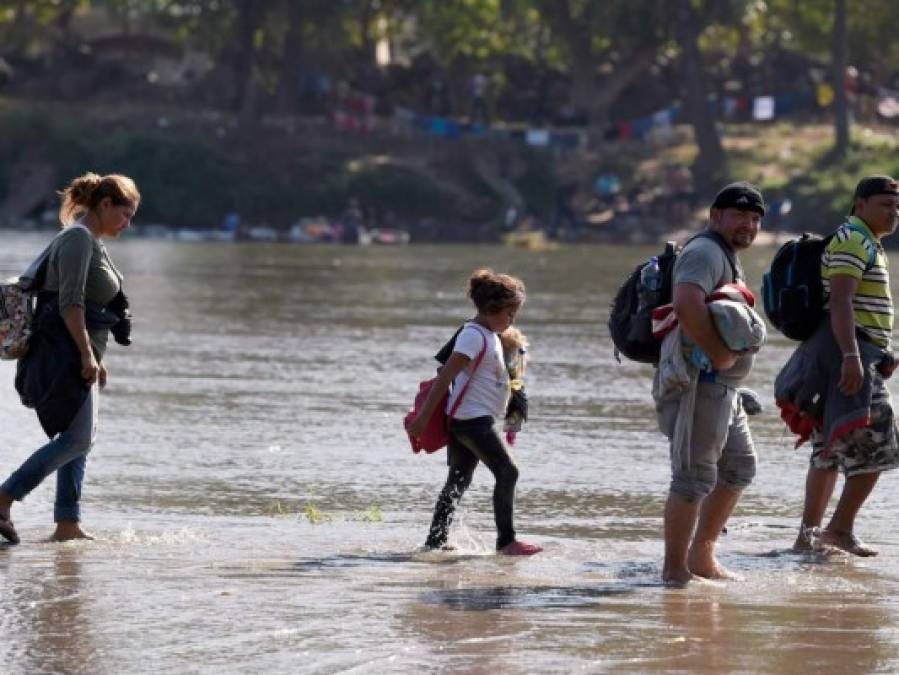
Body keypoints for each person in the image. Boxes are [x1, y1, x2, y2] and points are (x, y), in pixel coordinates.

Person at [0, 172, 139, 544]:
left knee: (80, 438)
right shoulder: (77, 239)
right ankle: (5, 495)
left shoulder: (89, 239)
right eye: (125, 214)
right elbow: (70, 302)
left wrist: (96, 356)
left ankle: (67, 524)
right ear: (104, 204)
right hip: (64, 352)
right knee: (77, 439)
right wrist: (84, 354)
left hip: (79, 350)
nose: (128, 224)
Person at [656, 182, 765, 584]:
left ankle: (700, 557)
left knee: (737, 467)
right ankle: (674, 573)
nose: (748, 225)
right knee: (693, 477)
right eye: (739, 215)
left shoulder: (726, 255)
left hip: (723, 387)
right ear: (715, 216)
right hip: (697, 382)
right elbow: (687, 305)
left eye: (755, 219)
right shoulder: (703, 252)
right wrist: (720, 355)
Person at [791, 176, 899, 557]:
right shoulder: (854, 239)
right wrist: (854, 356)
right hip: (849, 360)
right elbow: (840, 302)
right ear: (860, 204)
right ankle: (838, 529)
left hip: (852, 355)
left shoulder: (866, 242)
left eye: (896, 206)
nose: (894, 212)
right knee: (881, 448)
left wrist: (882, 350)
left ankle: (807, 540)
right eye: (885, 204)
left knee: (829, 451)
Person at [406, 269, 542, 555]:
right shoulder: (473, 336)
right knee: (508, 472)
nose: (512, 320)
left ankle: (435, 541)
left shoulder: (489, 334)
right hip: (472, 422)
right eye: (510, 313)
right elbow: (444, 377)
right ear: (492, 309)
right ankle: (506, 541)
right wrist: (421, 418)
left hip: (467, 421)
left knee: (458, 480)